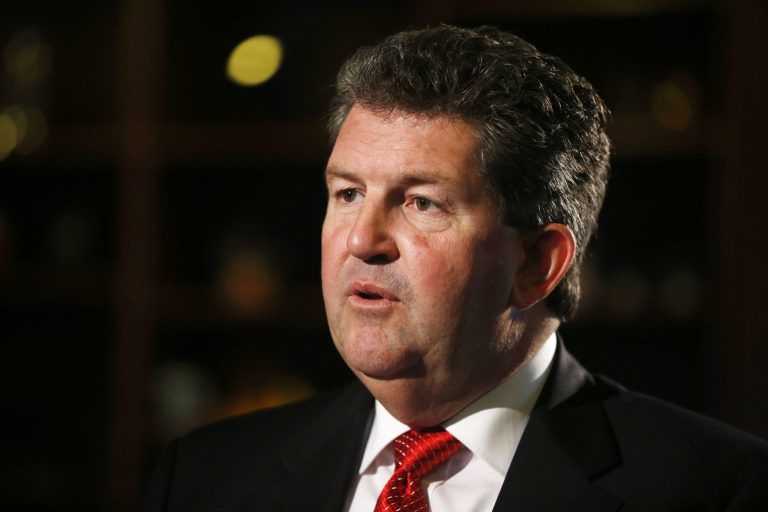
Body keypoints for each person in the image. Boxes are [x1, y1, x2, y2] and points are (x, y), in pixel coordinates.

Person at [145, 25, 768, 511]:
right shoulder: (205, 477)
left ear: (536, 263)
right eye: (348, 193)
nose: (362, 240)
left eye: (421, 203)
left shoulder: (717, 490)